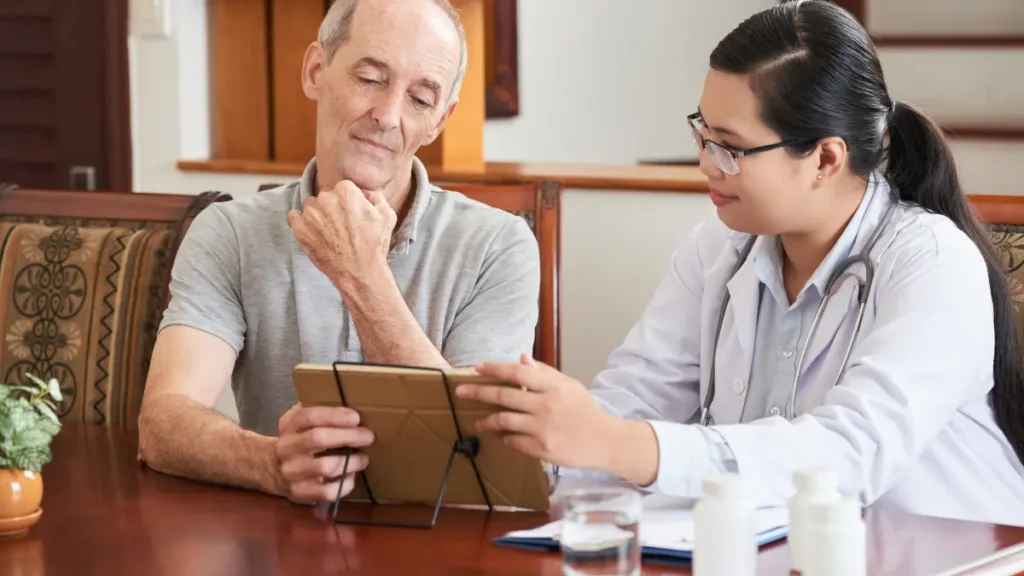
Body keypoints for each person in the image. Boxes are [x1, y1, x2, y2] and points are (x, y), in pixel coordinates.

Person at [456, 0, 1024, 526]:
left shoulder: (934, 264)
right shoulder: (719, 248)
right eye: (701, 132)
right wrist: (545, 437)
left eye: (729, 146)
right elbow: (634, 399)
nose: (706, 163)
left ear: (825, 158)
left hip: (961, 553)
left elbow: (847, 458)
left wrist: (614, 442)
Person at [137, 0, 540, 505]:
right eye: (370, 78)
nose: (388, 115)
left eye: (420, 98)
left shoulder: (500, 247)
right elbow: (162, 424)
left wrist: (361, 274)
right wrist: (270, 463)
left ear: (440, 120)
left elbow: (481, 460)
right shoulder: (228, 233)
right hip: (281, 541)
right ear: (315, 71)